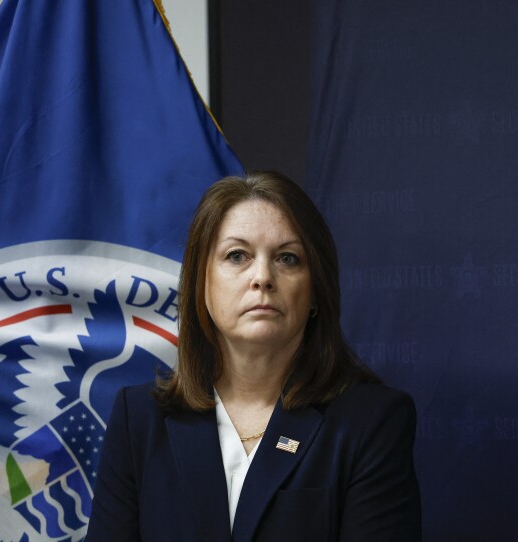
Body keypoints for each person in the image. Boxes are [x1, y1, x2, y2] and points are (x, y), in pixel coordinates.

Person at [87, 171, 422, 541]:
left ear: (315, 292)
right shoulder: (140, 420)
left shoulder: (372, 423)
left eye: (288, 258)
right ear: (202, 284)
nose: (262, 276)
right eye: (237, 255)